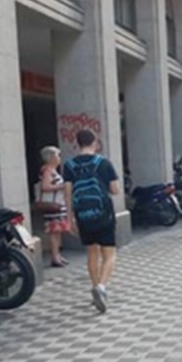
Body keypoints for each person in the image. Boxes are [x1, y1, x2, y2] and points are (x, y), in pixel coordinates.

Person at [64, 130, 120, 314]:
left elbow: (67, 192)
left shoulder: (69, 165)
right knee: (109, 254)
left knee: (91, 253)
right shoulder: (104, 163)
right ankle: (101, 287)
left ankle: (95, 287)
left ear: (77, 143)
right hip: (104, 214)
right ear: (95, 142)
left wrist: (69, 217)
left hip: (83, 215)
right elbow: (115, 189)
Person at [38, 146, 70, 268]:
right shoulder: (47, 171)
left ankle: (58, 255)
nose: (59, 158)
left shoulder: (53, 170)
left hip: (58, 204)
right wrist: (61, 186)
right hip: (52, 206)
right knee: (54, 232)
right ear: (51, 157)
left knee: (58, 232)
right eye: (57, 155)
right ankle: (55, 257)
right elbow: (45, 186)